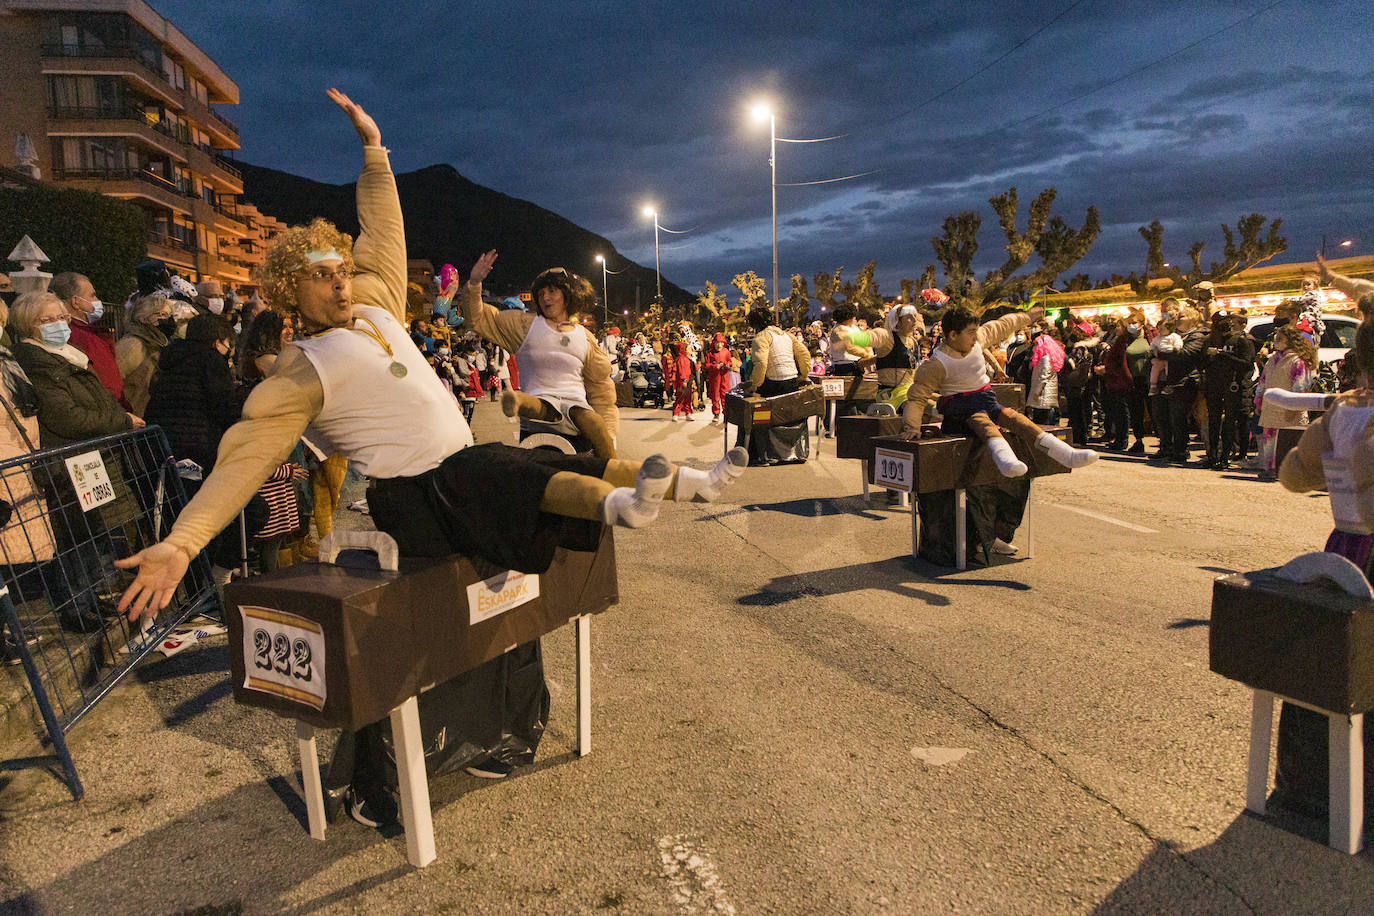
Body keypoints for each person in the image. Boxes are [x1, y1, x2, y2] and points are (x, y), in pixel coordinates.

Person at [114, 90, 747, 824]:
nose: (339, 278)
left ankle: (662, 493)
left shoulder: (379, 302)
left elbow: (383, 225)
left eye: (338, 265)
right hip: (410, 497)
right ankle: (623, 504)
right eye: (320, 274)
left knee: (528, 464)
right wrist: (182, 543)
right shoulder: (297, 370)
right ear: (291, 288)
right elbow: (241, 462)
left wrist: (374, 150)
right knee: (498, 467)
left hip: (461, 478)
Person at [899, 305, 1097, 476]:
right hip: (960, 410)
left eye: (976, 330)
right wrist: (912, 427)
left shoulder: (978, 340)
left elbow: (1003, 324)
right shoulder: (936, 363)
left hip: (986, 398)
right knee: (983, 423)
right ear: (952, 335)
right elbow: (917, 398)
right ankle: (1006, 462)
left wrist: (1027, 317)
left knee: (1015, 418)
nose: (975, 336)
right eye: (970, 332)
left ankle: (1066, 455)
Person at [459, 265, 618, 458]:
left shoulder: (586, 338)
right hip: (537, 424)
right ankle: (519, 401)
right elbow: (478, 319)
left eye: (552, 291)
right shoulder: (523, 326)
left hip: (576, 421)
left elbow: (601, 391)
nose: (546, 298)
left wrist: (608, 436)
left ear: (569, 294)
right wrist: (475, 283)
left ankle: (615, 471)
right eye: (541, 293)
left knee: (591, 439)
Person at [740, 307, 813, 465]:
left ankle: (762, 455)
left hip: (773, 383)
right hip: (792, 380)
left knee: (754, 409)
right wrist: (803, 376)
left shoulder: (761, 337)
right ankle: (795, 453)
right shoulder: (787, 335)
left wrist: (754, 386)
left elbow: (761, 364)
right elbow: (805, 355)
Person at [49, 271, 128, 410]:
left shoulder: (78, 332)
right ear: (76, 301)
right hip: (107, 410)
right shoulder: (82, 336)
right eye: (92, 295)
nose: (97, 300)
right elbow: (108, 382)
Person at [1254, 323, 1316, 480]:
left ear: (1290, 341)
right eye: (1276, 338)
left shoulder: (1298, 361)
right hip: (1271, 407)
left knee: (1290, 441)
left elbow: (1301, 385)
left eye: (1280, 339)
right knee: (1270, 441)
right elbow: (1263, 380)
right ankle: (1269, 468)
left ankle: (1290, 472)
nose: (1276, 341)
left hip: (1290, 408)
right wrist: (1259, 400)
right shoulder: (1272, 360)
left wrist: (1293, 405)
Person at [1201, 313, 1256, 470]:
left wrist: (1222, 355)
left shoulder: (1241, 341)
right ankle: (1212, 455)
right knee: (1213, 421)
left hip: (1233, 386)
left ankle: (1225, 456)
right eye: (1220, 322)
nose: (1224, 325)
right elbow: (1201, 362)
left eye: (1227, 321)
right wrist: (1210, 358)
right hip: (1214, 385)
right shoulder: (1209, 340)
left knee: (1230, 422)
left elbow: (1247, 364)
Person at [115, 294, 175, 416]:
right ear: (143, 318)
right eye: (162, 315)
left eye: (169, 315)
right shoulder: (133, 345)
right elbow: (112, 380)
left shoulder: (159, 343)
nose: (167, 320)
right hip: (133, 418)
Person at [1026, 324, 1065, 426]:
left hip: (1043, 396)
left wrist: (1036, 392)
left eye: (1036, 344)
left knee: (1043, 422)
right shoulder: (1046, 358)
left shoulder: (1045, 359)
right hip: (1045, 395)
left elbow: (1044, 376)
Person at [704, 332, 731, 423]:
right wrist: (715, 367)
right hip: (714, 377)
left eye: (720, 343)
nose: (719, 345)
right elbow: (706, 365)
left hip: (724, 376)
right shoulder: (710, 353)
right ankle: (716, 413)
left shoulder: (726, 352)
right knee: (715, 395)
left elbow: (730, 362)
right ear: (714, 343)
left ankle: (726, 413)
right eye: (717, 343)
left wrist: (727, 365)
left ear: (723, 343)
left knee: (725, 395)